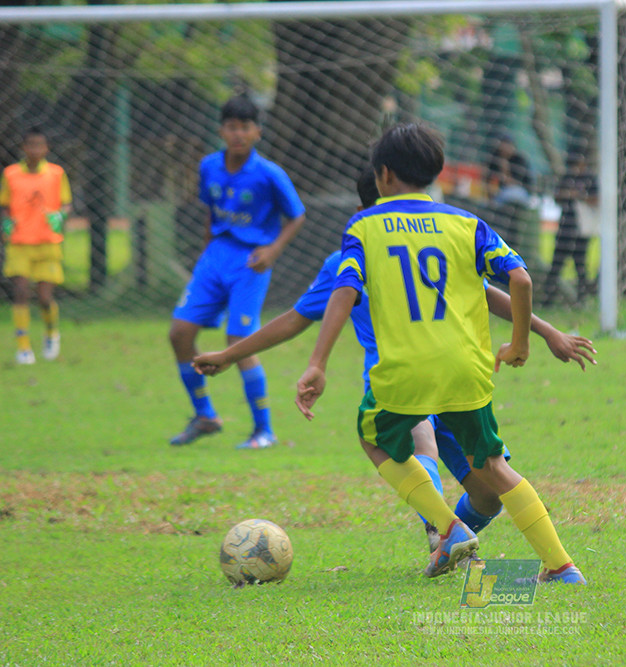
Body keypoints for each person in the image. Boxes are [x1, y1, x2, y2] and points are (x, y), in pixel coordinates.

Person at [192, 169, 597, 556]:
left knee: (488, 496)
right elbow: (297, 317)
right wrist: (230, 354)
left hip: (438, 374)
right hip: (406, 376)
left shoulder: (412, 240)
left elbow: (487, 294)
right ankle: (444, 534)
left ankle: (453, 537)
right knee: (423, 440)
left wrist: (547, 332)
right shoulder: (359, 255)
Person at [296, 123, 586, 584]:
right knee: (493, 466)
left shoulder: (364, 227)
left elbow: (345, 289)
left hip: (406, 369)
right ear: (435, 172)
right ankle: (562, 566)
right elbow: (520, 278)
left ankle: (448, 528)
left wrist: (318, 363)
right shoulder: (466, 224)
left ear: (383, 174)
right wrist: (521, 344)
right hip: (467, 368)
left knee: (373, 437)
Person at [168, 95, 306, 449]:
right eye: (231, 127)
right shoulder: (208, 166)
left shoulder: (269, 173)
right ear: (221, 130)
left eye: (245, 127)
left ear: (257, 131)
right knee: (179, 333)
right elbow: (209, 211)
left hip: (251, 261)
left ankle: (264, 430)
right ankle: (205, 416)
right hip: (215, 257)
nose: (238, 134)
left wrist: (273, 249)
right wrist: (206, 252)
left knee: (239, 341)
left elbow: (297, 215)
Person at [1, 127, 72, 365]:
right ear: (23, 148)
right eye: (31, 145)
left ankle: (51, 333)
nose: (35, 150)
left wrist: (60, 216)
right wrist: (6, 223)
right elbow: (4, 204)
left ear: (46, 148)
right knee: (21, 291)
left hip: (47, 243)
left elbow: (66, 203)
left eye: (39, 145)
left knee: (44, 297)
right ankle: (23, 346)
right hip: (20, 242)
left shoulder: (56, 174)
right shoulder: (11, 174)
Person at [543, 152, 598, 305]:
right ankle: (548, 299)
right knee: (556, 265)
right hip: (565, 227)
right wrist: (568, 194)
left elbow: (596, 199)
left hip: (581, 230)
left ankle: (581, 299)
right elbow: (557, 197)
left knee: (580, 266)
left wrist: (579, 196)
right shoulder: (567, 178)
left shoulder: (590, 178)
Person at [485, 134, 532, 207]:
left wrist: (504, 168)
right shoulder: (495, 158)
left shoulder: (519, 160)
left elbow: (513, 184)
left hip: (520, 192)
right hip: (499, 193)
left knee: (510, 194)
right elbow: (488, 180)